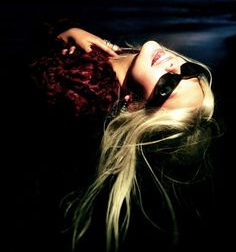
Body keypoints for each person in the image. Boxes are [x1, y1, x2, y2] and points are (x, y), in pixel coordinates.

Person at [29, 21, 220, 252]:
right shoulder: (117, 61)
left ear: (134, 107)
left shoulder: (80, 89)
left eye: (167, 86)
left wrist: (60, 35)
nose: (173, 67)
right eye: (188, 71)